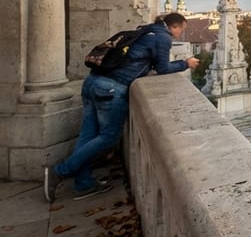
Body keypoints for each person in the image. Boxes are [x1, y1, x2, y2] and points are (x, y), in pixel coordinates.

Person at [45, 12, 199, 202]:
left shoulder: (144, 31)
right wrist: (185, 63)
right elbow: (163, 68)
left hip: (92, 82)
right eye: (181, 30)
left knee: (87, 136)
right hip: (110, 89)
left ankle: (83, 183)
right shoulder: (162, 38)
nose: (179, 34)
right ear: (174, 27)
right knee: (108, 137)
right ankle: (60, 172)